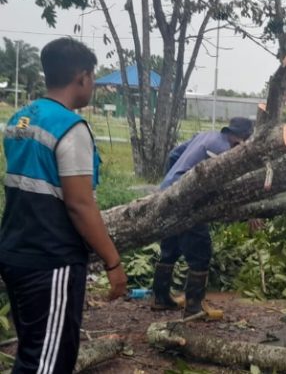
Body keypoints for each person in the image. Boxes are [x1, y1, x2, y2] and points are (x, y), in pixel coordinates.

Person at [0, 38, 127, 372]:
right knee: (49, 362)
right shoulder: (70, 128)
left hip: (16, 251)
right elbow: (80, 205)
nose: (94, 86)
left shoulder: (21, 119)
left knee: (32, 351)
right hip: (50, 260)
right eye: (94, 78)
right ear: (82, 77)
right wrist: (113, 263)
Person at [152, 117, 254, 318]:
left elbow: (174, 155)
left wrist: (170, 181)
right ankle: (193, 307)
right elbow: (227, 188)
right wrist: (247, 212)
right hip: (187, 202)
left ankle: (160, 298)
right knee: (201, 250)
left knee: (170, 246)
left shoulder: (205, 136)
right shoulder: (223, 152)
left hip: (168, 194)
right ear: (242, 139)